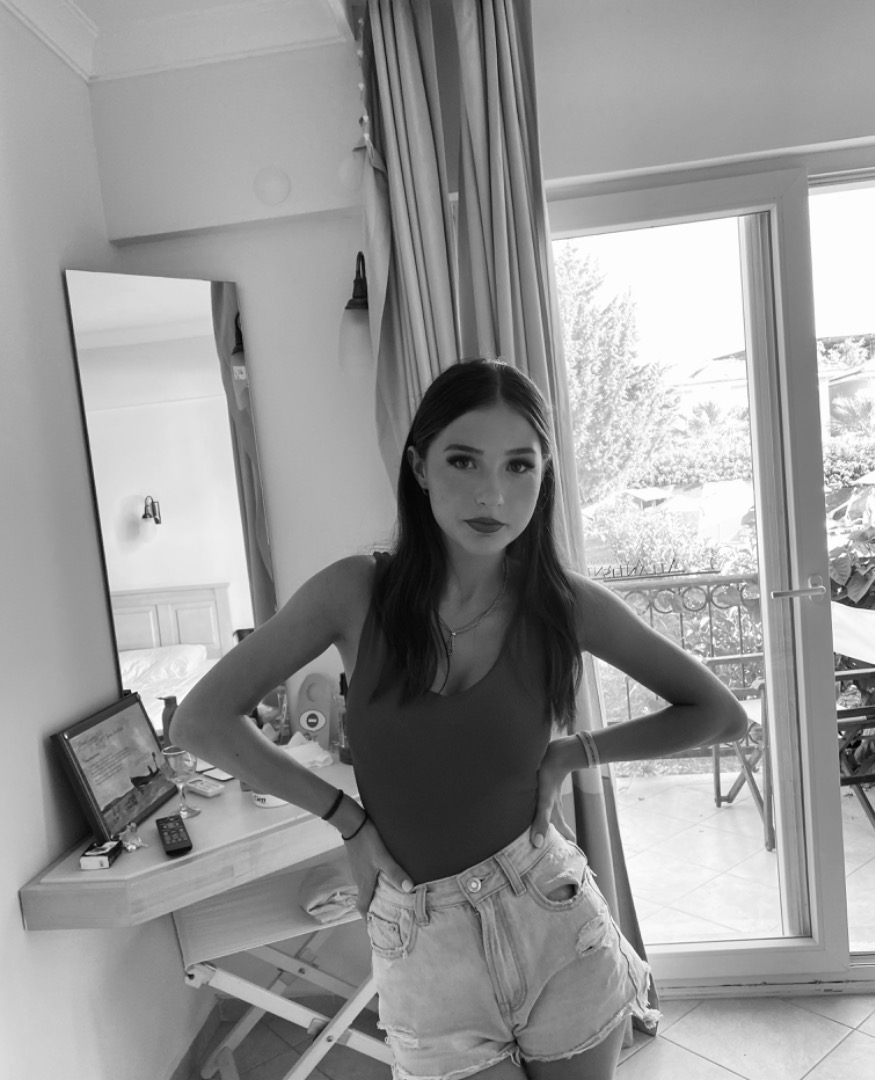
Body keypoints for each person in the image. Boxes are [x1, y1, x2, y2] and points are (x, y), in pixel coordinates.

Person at [171, 359, 747, 1080]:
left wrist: (575, 751)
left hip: (551, 915)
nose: (491, 494)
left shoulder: (561, 603)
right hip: (423, 941)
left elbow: (719, 714)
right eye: (463, 460)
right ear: (419, 466)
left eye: (518, 466)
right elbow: (199, 721)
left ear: (543, 476)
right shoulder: (354, 593)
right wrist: (347, 820)